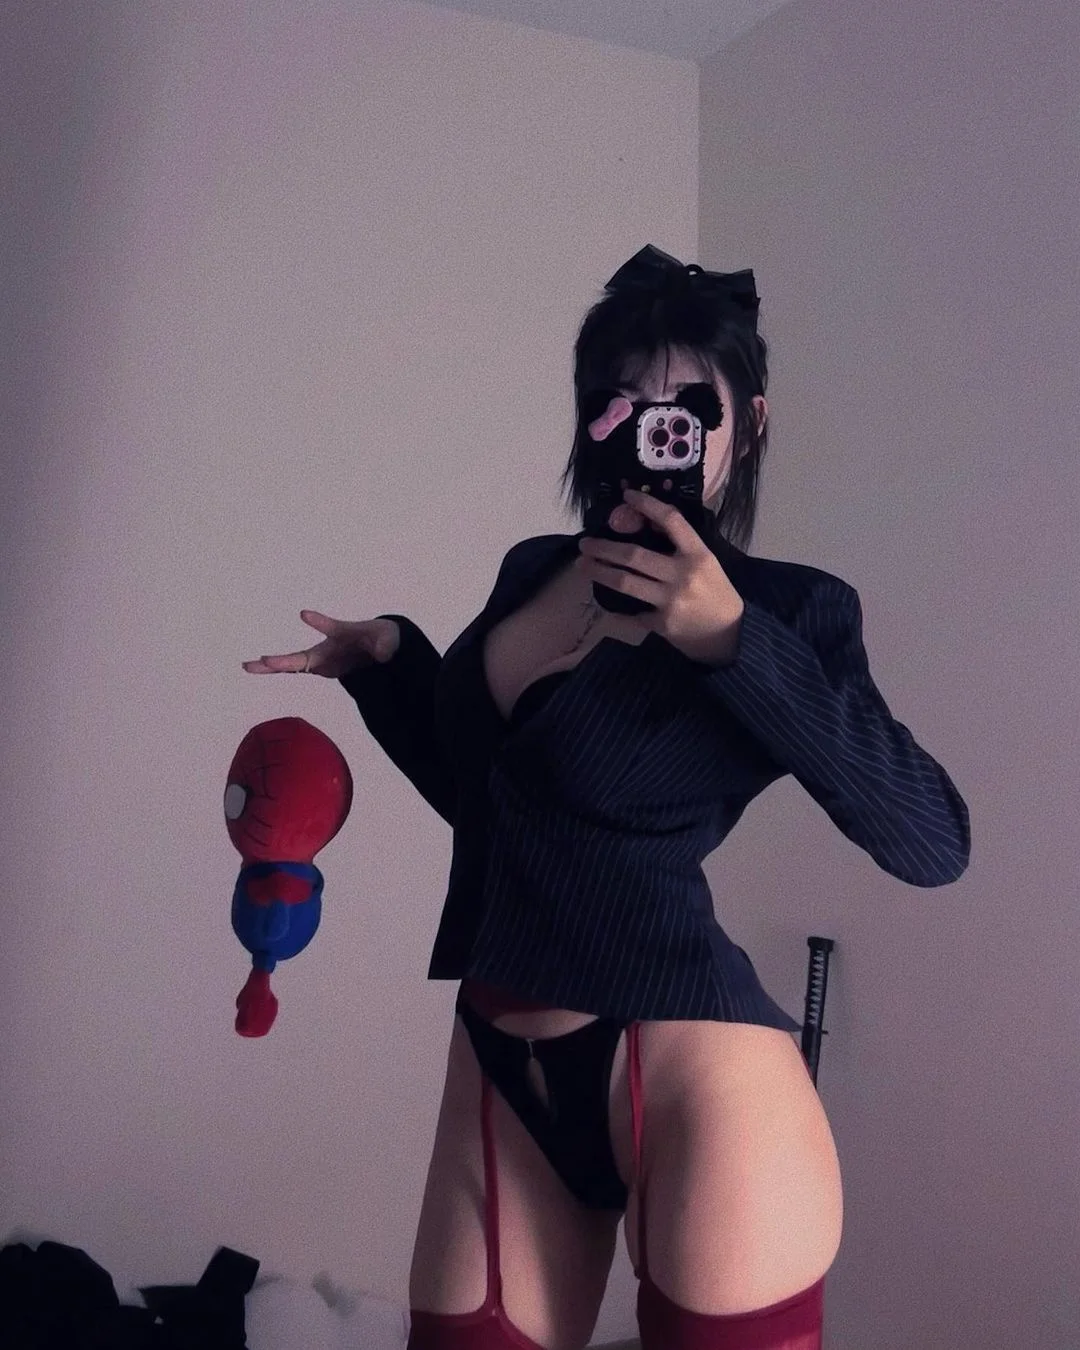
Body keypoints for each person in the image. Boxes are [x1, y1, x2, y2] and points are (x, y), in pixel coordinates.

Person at [243, 244, 971, 1350]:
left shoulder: (792, 609)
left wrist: (734, 642)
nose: (653, 428)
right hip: (499, 1059)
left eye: (689, 406)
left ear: (748, 424)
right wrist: (393, 664)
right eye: (623, 400)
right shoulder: (534, 570)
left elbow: (932, 840)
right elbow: (503, 809)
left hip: (697, 1081)